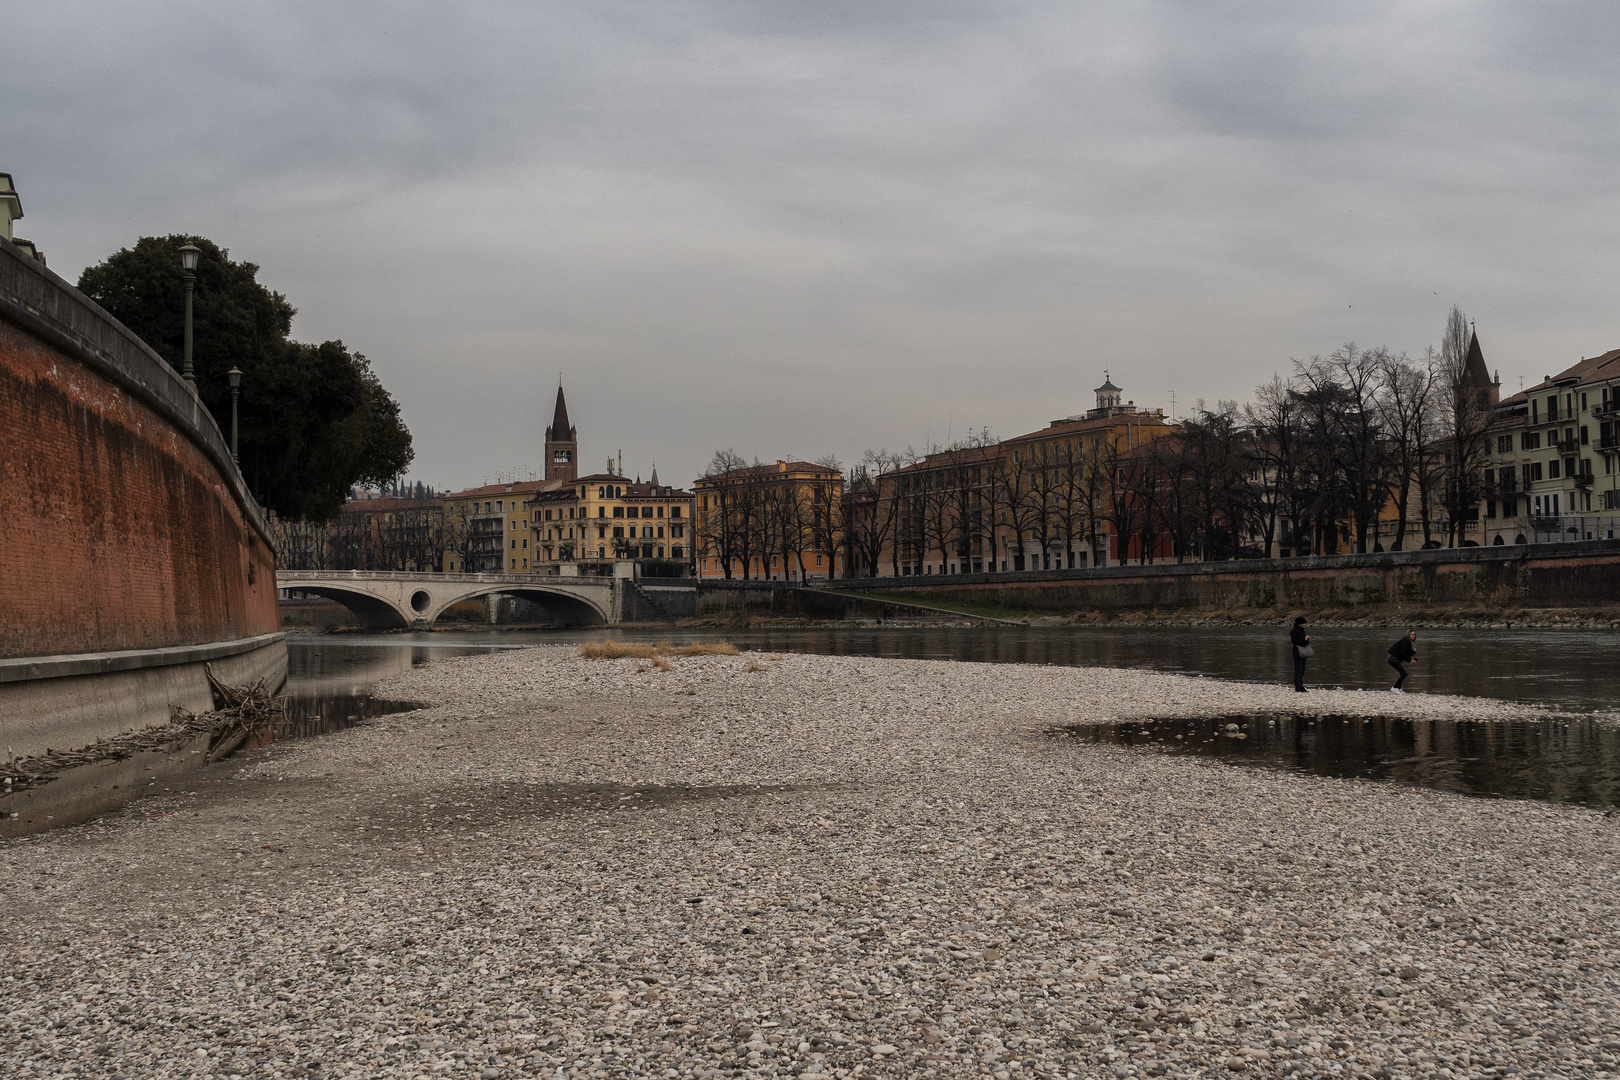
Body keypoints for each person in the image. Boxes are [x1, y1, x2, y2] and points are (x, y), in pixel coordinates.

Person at [1289, 616, 1312, 692]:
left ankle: (1301, 684)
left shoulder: (1302, 630)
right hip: (1297, 652)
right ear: (1299, 624)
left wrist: (1308, 640)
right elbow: (1295, 641)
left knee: (1302, 669)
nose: (1304, 626)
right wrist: (1304, 639)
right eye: (1303, 624)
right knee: (1298, 669)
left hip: (1303, 651)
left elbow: (1303, 641)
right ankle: (1297, 686)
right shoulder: (1294, 631)